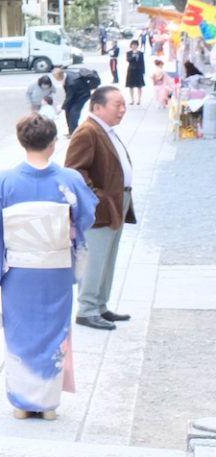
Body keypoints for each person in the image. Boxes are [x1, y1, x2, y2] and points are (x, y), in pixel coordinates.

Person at [0, 115, 96, 419]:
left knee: (20, 334)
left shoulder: (4, 180)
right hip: (56, 268)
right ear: (53, 143)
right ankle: (48, 404)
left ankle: (21, 402)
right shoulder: (69, 180)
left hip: (18, 272)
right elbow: (86, 216)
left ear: (21, 141)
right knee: (54, 331)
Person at [65, 85, 136, 332]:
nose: (122, 110)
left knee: (108, 257)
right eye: (117, 105)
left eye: (123, 104)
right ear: (97, 107)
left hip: (117, 201)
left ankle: (100, 305)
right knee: (95, 258)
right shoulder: (87, 131)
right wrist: (97, 198)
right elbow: (74, 171)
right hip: (100, 207)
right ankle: (87, 309)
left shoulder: (105, 130)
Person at [60, 64, 100, 134]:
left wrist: (62, 107)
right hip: (77, 94)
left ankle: (74, 132)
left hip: (82, 96)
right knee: (68, 111)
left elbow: (69, 96)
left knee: (73, 113)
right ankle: (71, 131)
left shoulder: (71, 83)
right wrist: (65, 107)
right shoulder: (66, 74)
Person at [124, 37, 146, 106]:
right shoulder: (129, 53)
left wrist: (143, 71)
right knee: (131, 86)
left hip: (138, 70)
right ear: (131, 45)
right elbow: (128, 60)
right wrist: (134, 56)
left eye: (135, 45)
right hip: (131, 70)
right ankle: (132, 99)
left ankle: (139, 100)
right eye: (133, 45)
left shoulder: (140, 53)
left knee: (139, 86)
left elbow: (142, 62)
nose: (134, 46)